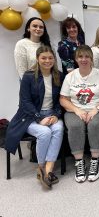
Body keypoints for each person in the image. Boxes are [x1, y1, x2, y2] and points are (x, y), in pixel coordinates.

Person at [6, 46, 64, 189]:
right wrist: (39, 118)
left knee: (58, 129)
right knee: (45, 133)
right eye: (43, 58)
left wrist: (56, 115)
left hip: (51, 113)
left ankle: (49, 170)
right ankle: (41, 167)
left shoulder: (59, 75)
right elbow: (25, 102)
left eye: (50, 58)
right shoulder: (28, 76)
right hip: (29, 116)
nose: (47, 61)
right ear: (37, 59)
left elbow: (60, 100)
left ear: (54, 59)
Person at [60, 45, 99, 183]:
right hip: (75, 110)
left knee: (94, 124)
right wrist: (77, 110)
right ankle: (80, 162)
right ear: (76, 59)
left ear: (91, 59)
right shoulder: (70, 76)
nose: (84, 59)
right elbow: (63, 99)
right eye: (80, 56)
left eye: (87, 57)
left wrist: (96, 108)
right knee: (75, 126)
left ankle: (95, 161)